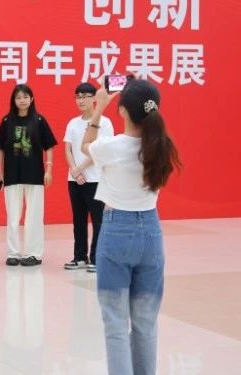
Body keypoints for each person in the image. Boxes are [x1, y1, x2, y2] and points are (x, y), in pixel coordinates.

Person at [82, 79, 180, 375]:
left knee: (115, 324)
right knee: (145, 323)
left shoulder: (112, 147)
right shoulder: (161, 147)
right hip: (151, 233)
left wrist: (99, 108)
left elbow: (86, 146)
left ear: (123, 110)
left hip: (115, 233)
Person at [0, 84, 57, 267]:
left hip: (35, 175)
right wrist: (0, 173)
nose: (22, 100)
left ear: (31, 99)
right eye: (18, 97)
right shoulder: (6, 121)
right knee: (13, 216)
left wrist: (48, 170)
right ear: (13, 100)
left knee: (34, 217)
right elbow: (0, 149)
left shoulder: (39, 120)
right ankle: (13, 253)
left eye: (25, 97)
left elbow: (49, 146)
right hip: (12, 175)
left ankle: (33, 254)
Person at [63, 82, 114, 273]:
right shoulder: (73, 123)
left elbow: (101, 150)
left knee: (98, 220)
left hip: (95, 179)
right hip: (74, 180)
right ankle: (79, 257)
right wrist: (74, 170)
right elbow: (67, 148)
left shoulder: (105, 122)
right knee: (78, 220)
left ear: (95, 98)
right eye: (78, 96)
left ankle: (97, 258)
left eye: (85, 96)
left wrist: (81, 168)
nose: (81, 100)